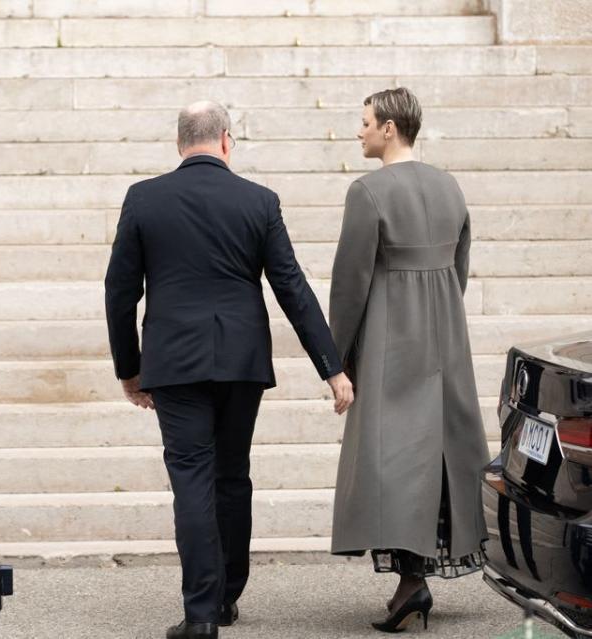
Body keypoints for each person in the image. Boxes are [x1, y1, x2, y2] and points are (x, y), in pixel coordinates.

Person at [105, 100, 354, 639]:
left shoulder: (144, 198)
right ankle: (226, 597)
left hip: (173, 363)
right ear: (225, 140)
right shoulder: (258, 201)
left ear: (179, 144)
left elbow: (120, 290)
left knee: (192, 478)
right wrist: (330, 368)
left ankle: (200, 615)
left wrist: (130, 368)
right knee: (232, 474)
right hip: (241, 361)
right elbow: (292, 286)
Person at [329, 87, 491, 633]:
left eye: (366, 121)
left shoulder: (367, 192)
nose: (360, 131)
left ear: (390, 129)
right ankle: (412, 579)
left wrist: (338, 357)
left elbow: (350, 283)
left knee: (392, 457)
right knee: (435, 454)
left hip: (390, 339)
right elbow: (460, 266)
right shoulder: (450, 186)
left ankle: (411, 580)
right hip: (446, 333)